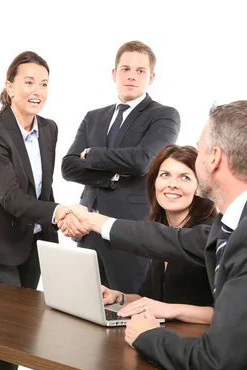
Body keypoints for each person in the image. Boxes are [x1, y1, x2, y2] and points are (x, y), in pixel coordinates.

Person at [61, 101, 247, 370]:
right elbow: (177, 241)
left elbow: (217, 367)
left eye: (199, 151)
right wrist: (95, 221)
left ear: (214, 158)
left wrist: (149, 336)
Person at [0, 51, 84, 370]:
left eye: (44, 83)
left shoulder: (49, 128)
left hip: (35, 242)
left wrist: (58, 219)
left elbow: (43, 189)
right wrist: (60, 211)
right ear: (10, 86)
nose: (38, 90)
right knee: (9, 332)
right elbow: (12, 199)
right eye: (28, 82)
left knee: (25, 327)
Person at [65, 144, 217, 370]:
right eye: (165, 175)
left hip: (190, 354)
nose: (172, 184)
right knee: (82, 369)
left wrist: (172, 309)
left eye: (185, 177)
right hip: (155, 341)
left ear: (200, 187)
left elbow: (225, 314)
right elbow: (149, 298)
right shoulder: (159, 230)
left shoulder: (209, 235)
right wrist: (119, 297)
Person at [61, 40, 180, 295]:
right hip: (86, 228)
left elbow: (142, 161)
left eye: (140, 71)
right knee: (85, 310)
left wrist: (91, 155)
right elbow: (69, 167)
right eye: (126, 69)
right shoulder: (94, 116)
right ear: (114, 74)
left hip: (130, 233)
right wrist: (112, 175)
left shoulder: (164, 115)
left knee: (130, 311)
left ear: (152, 77)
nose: (132, 76)